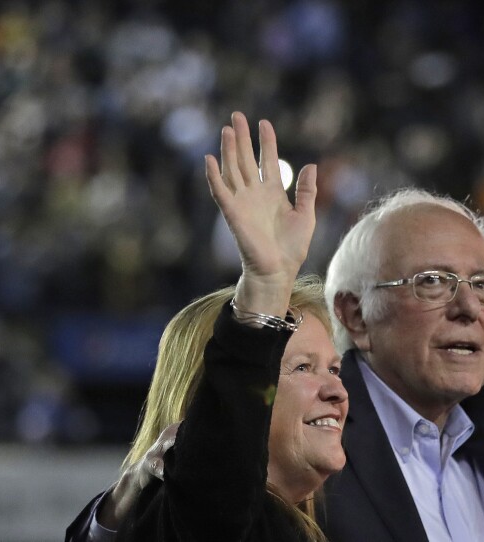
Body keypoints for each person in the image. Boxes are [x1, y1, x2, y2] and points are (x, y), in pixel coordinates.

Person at [69, 27, 484, 541]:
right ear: (354, 314)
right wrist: (265, 285)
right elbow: (206, 496)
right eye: (435, 281)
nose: (471, 306)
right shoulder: (305, 435)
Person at [67, 112, 347, 541]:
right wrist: (266, 287)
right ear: (207, 399)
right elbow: (219, 471)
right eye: (302, 368)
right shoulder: (215, 518)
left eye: (333, 369)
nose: (337, 392)